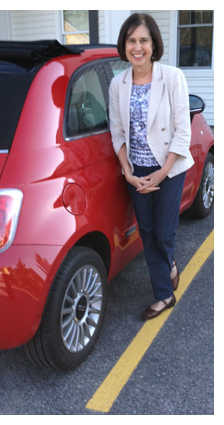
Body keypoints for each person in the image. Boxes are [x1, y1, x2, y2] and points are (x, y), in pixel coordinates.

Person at [109, 13, 194, 320]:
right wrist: (128, 172)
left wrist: (161, 171)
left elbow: (183, 131)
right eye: (131, 40)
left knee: (164, 232)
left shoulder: (172, 77)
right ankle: (164, 295)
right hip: (137, 171)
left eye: (143, 40)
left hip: (168, 168)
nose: (137, 47)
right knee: (146, 233)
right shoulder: (118, 84)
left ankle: (169, 264)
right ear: (125, 45)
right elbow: (117, 132)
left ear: (154, 43)